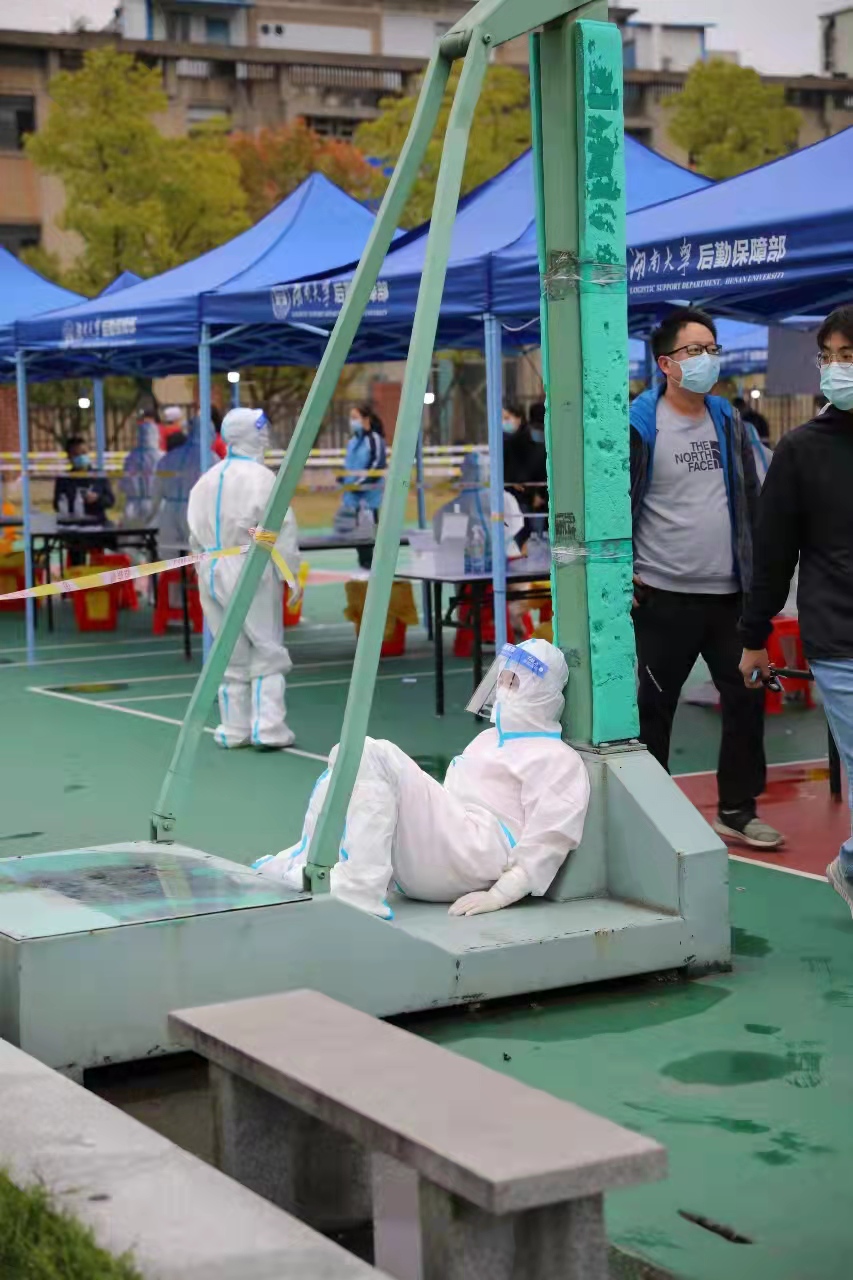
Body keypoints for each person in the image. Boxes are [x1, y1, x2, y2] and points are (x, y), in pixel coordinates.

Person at [254, 639, 590, 920]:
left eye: (513, 683)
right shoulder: (487, 741)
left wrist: (503, 892)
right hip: (450, 851)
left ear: (542, 692)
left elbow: (551, 837)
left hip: (478, 857)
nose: (502, 690)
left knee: (373, 753)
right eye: (501, 679)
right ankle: (308, 861)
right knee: (350, 756)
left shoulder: (556, 758)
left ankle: (359, 887)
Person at [630, 307, 783, 851]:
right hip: (662, 594)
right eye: (695, 350)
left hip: (728, 597)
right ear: (666, 363)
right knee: (654, 710)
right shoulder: (638, 424)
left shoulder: (728, 419)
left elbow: (752, 498)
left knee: (746, 701)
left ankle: (738, 809)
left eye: (712, 349)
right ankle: (651, 817)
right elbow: (615, 503)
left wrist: (759, 580)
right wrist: (623, 573)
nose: (707, 359)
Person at [740, 305, 853, 917]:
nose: (835, 368)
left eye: (848, 356)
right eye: (827, 357)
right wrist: (754, 635)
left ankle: (850, 866)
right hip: (840, 637)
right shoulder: (801, 450)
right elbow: (774, 554)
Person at [187, 407, 301, 751]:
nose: (265, 436)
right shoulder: (262, 479)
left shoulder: (205, 481)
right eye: (260, 429)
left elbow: (194, 536)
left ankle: (233, 728)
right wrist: (290, 574)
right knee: (266, 648)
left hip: (211, 567)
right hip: (250, 565)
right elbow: (278, 530)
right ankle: (268, 728)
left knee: (229, 650)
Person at [334, 404, 387, 570]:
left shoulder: (375, 440)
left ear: (366, 419)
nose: (352, 422)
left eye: (355, 418)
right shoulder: (352, 442)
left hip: (370, 496)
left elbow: (377, 464)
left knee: (371, 532)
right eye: (351, 418)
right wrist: (343, 478)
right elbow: (349, 465)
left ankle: (376, 567)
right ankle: (364, 565)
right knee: (358, 533)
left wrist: (360, 483)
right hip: (353, 497)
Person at [121, 417, 163, 525]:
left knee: (133, 533)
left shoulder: (131, 457)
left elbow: (123, 484)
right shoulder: (162, 457)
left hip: (133, 505)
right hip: (156, 504)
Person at [502, 402, 537, 513]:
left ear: (518, 418)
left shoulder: (529, 438)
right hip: (509, 495)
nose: (503, 422)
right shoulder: (503, 440)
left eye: (507, 418)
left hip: (526, 497)